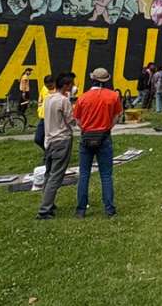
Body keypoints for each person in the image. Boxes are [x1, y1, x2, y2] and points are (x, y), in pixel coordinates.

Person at [74, 68, 122, 218]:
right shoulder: (113, 96)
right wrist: (107, 128)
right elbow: (117, 116)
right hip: (104, 137)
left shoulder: (82, 97)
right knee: (106, 175)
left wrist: (86, 130)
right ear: (106, 81)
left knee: (84, 175)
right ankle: (109, 209)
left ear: (92, 79)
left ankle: (81, 209)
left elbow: (77, 120)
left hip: (86, 137)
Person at [38, 72, 77, 219]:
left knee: (49, 174)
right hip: (62, 139)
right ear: (66, 85)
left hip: (49, 140)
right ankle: (44, 209)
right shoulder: (64, 100)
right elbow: (71, 120)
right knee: (56, 176)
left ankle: (48, 202)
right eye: (71, 84)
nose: (72, 86)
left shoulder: (48, 98)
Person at [33, 74, 56, 151]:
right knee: (38, 139)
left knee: (53, 140)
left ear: (54, 83)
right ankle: (48, 152)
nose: (49, 87)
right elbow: (40, 100)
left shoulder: (58, 90)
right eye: (47, 86)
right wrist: (39, 109)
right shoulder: (44, 89)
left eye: (50, 85)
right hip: (43, 118)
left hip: (54, 119)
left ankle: (50, 155)